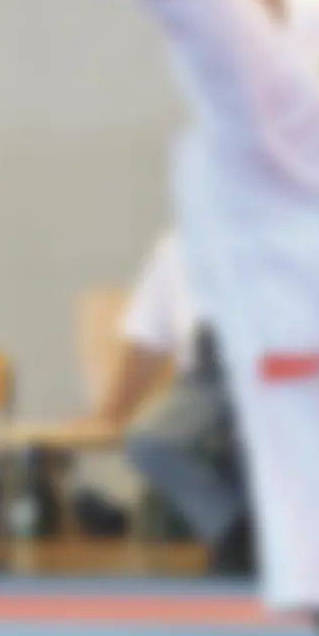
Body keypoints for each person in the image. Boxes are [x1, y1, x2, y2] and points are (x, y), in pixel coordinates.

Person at [78, 0, 319, 636]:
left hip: (316, 350)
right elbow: (151, 333)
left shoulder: (302, 113)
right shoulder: (238, 156)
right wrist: (110, 411)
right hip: (285, 359)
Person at [98, 230, 251, 573]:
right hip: (205, 379)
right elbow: (146, 339)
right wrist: (113, 410)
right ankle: (235, 531)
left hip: (289, 377)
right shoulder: (177, 246)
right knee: (150, 441)